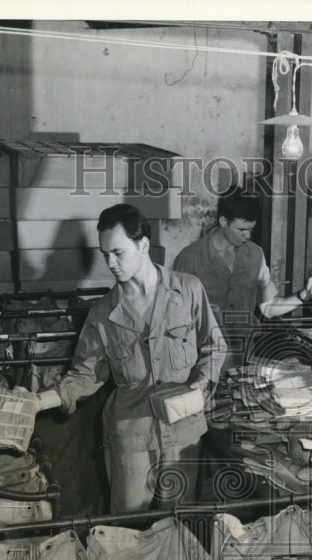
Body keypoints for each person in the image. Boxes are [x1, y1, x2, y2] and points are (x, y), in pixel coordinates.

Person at [44, 204, 227, 513]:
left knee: (179, 530)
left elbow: (214, 346)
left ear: (142, 245)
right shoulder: (102, 314)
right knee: (128, 535)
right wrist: (38, 402)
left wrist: (200, 384)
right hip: (131, 440)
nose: (110, 263)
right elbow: (85, 375)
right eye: (105, 255)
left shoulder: (188, 291)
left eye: (118, 253)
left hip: (183, 434)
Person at [172, 186, 309, 370]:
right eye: (242, 230)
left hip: (245, 359)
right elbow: (177, 321)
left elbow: (269, 308)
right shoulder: (189, 259)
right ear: (223, 221)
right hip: (202, 362)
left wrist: (305, 295)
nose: (248, 236)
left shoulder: (255, 255)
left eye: (251, 229)